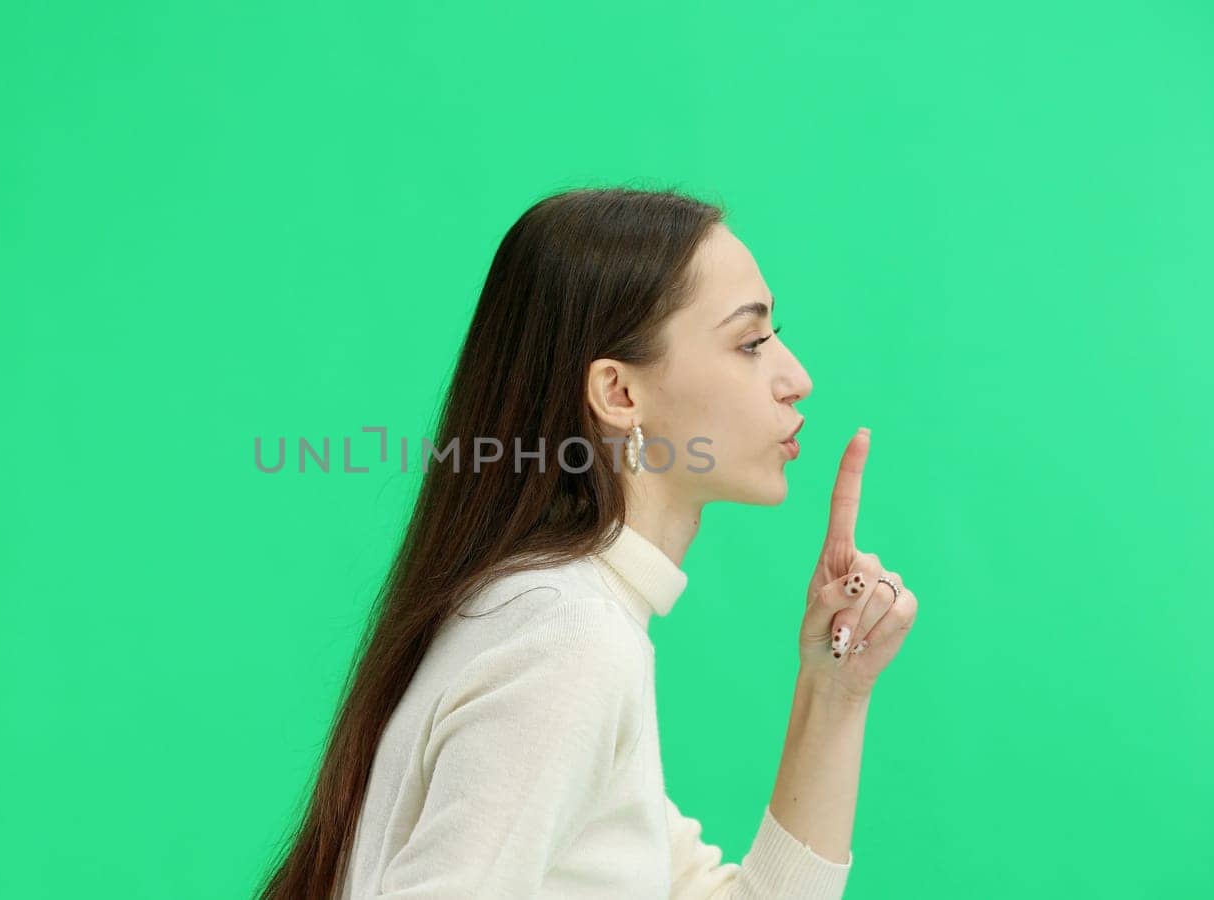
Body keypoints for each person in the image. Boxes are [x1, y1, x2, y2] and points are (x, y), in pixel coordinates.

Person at [258, 187, 919, 898]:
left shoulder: (553, 614)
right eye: (751, 342)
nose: (797, 378)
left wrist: (835, 688)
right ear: (619, 392)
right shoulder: (568, 639)